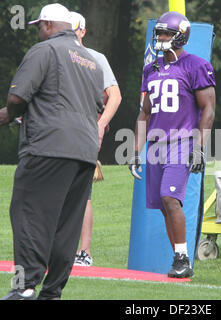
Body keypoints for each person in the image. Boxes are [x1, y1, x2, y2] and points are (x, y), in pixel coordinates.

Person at [0, 3, 104, 300]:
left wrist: (11, 112)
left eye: (38, 28)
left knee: (30, 214)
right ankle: (53, 291)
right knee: (66, 225)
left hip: (48, 147)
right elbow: (92, 105)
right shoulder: (90, 60)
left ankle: (25, 287)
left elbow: (18, 96)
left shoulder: (43, 51)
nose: (37, 33)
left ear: (47, 25)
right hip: (84, 151)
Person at [129, 11, 216, 278]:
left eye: (166, 32)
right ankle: (179, 258)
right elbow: (145, 113)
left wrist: (200, 147)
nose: (161, 37)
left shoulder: (196, 65)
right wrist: (135, 150)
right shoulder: (151, 68)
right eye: (160, 32)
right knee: (165, 205)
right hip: (156, 144)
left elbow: (208, 109)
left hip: (183, 140)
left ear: (181, 36)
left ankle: (182, 258)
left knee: (170, 197)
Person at [70, 12, 122, 267]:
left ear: (82, 31)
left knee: (82, 193)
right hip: (59, 132)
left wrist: (100, 126)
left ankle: (84, 252)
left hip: (84, 132)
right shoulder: (50, 53)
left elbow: (115, 96)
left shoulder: (96, 58)